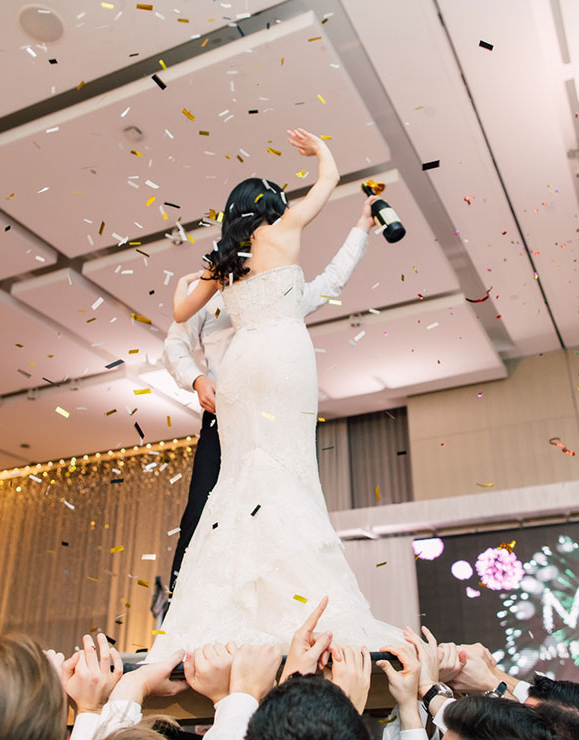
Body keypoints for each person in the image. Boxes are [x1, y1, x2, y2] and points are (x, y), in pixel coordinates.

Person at [146, 128, 403, 661]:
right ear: (272, 205)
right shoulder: (283, 237)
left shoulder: (223, 265)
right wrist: (322, 152)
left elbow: (176, 312)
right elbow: (327, 183)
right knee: (272, 479)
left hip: (242, 374)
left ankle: (225, 608)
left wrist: (181, 287)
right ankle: (271, 602)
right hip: (276, 366)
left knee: (241, 485)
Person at [163, 183, 378, 595]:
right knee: (205, 508)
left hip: (276, 412)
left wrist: (361, 229)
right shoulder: (218, 277)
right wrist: (197, 379)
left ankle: (270, 598)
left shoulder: (285, 292)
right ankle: (183, 606)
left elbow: (331, 282)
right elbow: (175, 341)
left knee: (283, 503)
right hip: (224, 414)